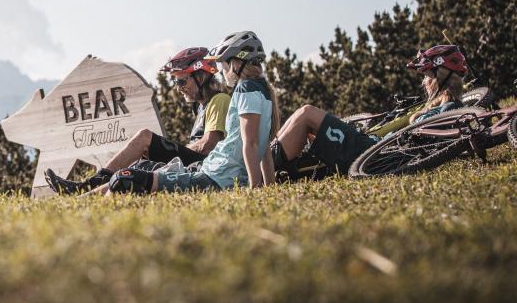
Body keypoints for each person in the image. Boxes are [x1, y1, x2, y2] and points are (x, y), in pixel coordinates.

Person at [109, 31, 281, 194]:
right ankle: (88, 192)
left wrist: (255, 188)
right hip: (216, 173)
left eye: (223, 64)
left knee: (125, 178)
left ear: (236, 63)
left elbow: (250, 143)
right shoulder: (263, 91)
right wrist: (269, 187)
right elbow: (263, 147)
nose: (221, 70)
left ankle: (90, 190)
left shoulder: (245, 89)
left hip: (216, 175)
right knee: (138, 170)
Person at [43, 46, 231, 195]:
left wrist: (167, 153)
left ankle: (88, 185)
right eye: (175, 82)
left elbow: (208, 144)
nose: (178, 88)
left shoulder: (219, 100)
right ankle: (88, 193)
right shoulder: (202, 106)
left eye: (182, 81)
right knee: (139, 166)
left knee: (144, 137)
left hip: (206, 165)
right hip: (198, 163)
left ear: (201, 75)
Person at [270, 44, 469, 176]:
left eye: (427, 76)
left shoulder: (449, 109)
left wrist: (416, 117)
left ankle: (262, 164)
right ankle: (267, 158)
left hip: (375, 152)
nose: (424, 82)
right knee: (304, 118)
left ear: (439, 77)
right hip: (377, 150)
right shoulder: (448, 108)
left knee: (307, 113)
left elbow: (419, 131)